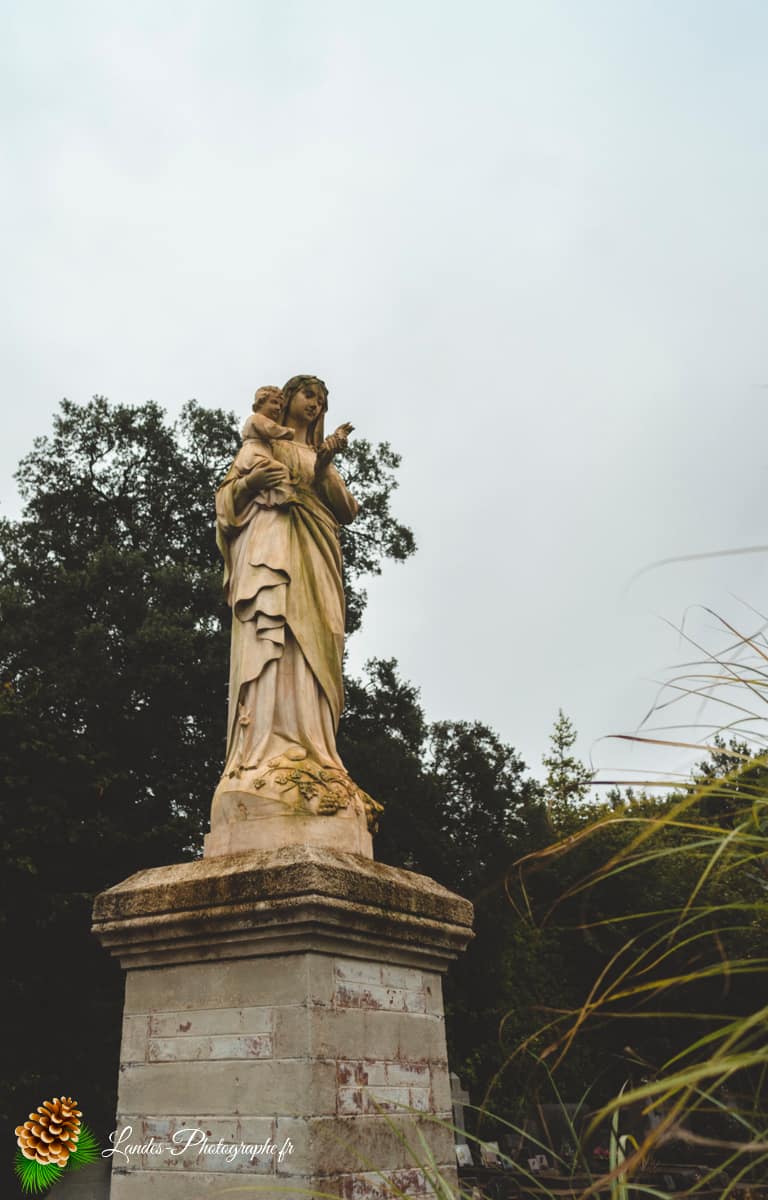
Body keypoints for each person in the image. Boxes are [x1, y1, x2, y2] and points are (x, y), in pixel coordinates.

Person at [212, 374, 379, 839]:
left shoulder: (315, 457)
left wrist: (324, 468)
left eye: (323, 399)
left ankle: (317, 754)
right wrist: (251, 486)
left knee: (319, 641)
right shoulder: (262, 444)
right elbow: (225, 503)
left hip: (317, 556)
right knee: (273, 632)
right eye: (310, 395)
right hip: (271, 547)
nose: (317, 403)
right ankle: (261, 756)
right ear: (287, 401)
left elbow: (347, 509)